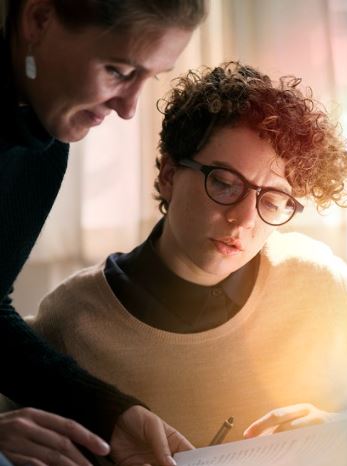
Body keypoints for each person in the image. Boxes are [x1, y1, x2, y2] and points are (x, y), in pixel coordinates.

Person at [28, 62, 347, 448]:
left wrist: (335, 428)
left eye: (274, 200)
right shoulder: (70, 322)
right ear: (169, 175)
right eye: (225, 184)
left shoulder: (319, 284)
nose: (243, 218)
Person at [0, 1, 206, 465]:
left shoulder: (41, 147)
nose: (129, 108)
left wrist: (113, 414)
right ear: (38, 20)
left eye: (149, 77)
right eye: (117, 70)